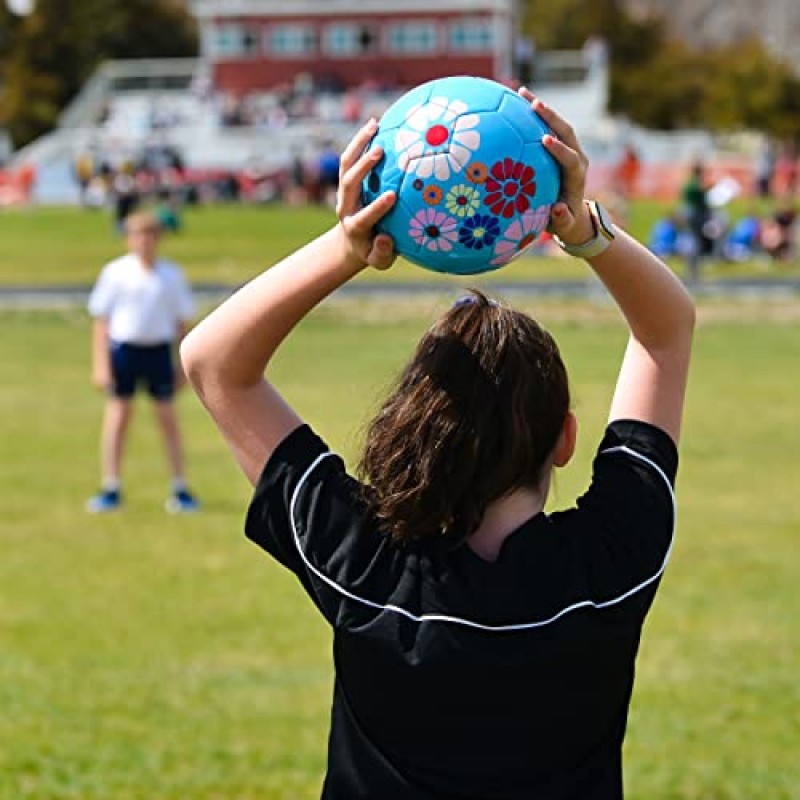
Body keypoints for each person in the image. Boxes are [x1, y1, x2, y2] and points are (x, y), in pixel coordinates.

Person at [180, 90, 695, 798]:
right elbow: (666, 331)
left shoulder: (365, 568)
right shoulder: (615, 560)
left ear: (407, 432)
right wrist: (586, 230)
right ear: (566, 439)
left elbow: (214, 363)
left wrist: (350, 244)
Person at [86, 211, 200, 514]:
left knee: (167, 419)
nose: (144, 242)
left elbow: (181, 325)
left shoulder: (171, 275)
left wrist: (183, 366)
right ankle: (111, 486)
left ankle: (180, 487)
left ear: (158, 239)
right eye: (137, 236)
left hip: (158, 352)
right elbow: (101, 321)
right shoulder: (115, 273)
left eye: (150, 236)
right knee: (118, 417)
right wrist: (101, 364)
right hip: (124, 351)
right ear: (128, 239)